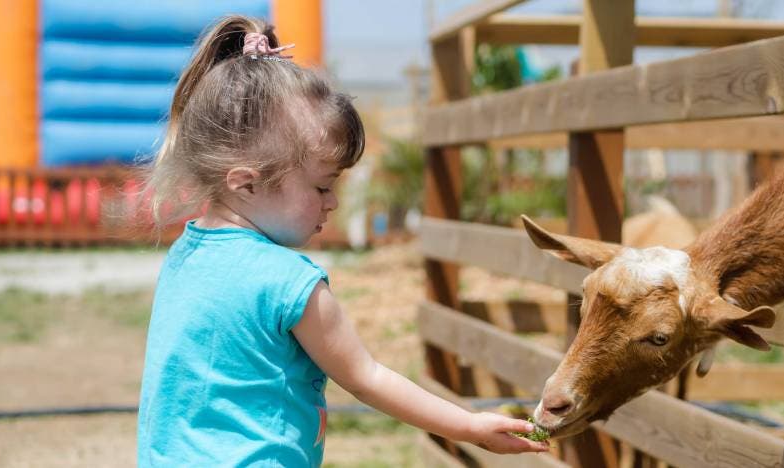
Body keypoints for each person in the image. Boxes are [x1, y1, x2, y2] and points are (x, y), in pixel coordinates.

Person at [137, 15, 549, 467]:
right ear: (247, 183)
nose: (332, 202)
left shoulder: (184, 256)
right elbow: (366, 376)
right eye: (322, 187)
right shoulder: (289, 282)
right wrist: (468, 426)